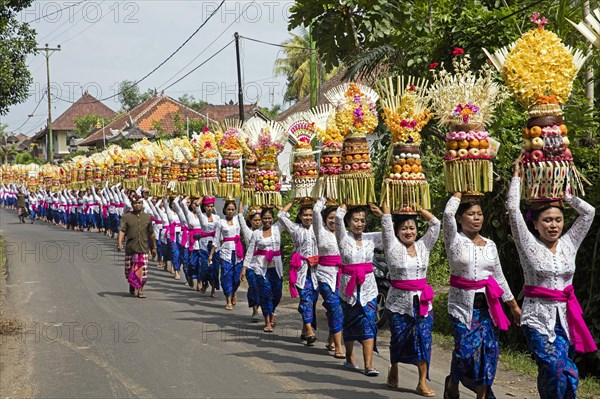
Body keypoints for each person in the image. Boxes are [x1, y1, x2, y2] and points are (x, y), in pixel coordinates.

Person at [507, 163, 596, 399]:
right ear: (535, 224)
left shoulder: (570, 243)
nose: (553, 225)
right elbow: (514, 212)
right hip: (535, 318)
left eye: (558, 220)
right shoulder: (528, 245)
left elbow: (589, 213)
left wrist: (565, 194)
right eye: (547, 220)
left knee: (561, 375)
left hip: (564, 319)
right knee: (556, 368)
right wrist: (516, 179)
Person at [443, 193, 521, 399]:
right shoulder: (454, 240)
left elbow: (499, 277)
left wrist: (513, 305)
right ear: (460, 219)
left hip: (488, 308)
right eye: (470, 214)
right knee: (465, 352)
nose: (477, 218)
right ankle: (452, 381)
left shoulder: (490, 245)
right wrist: (458, 194)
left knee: (488, 353)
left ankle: (482, 395)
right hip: (461, 307)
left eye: (479, 214)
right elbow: (447, 214)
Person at [371, 203, 439, 396]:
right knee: (399, 339)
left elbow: (435, 224)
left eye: (412, 228)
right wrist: (387, 209)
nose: (408, 232)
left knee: (424, 339)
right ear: (397, 231)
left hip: (422, 303)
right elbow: (385, 222)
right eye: (404, 228)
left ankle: (421, 382)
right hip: (397, 303)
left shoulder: (424, 246)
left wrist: (418, 209)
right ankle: (394, 366)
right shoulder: (392, 245)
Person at [335, 203, 383, 376]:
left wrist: (382, 215)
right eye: (356, 220)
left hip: (368, 288)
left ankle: (369, 365)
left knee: (369, 323)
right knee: (349, 322)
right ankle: (349, 356)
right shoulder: (342, 237)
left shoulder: (372, 238)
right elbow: (338, 217)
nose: (359, 224)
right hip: (348, 289)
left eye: (362, 220)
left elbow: (390, 233)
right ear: (349, 221)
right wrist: (347, 202)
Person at [278, 200, 319, 345]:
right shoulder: (295, 228)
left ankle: (305, 330)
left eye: (311, 215)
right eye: (305, 215)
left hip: (316, 270)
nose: (308, 218)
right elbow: (281, 215)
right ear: (300, 216)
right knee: (306, 298)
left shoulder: (319, 228)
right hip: (301, 268)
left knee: (313, 300)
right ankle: (309, 330)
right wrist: (292, 202)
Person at [313, 197, 344, 358]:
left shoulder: (345, 232)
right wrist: (324, 195)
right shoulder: (321, 231)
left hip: (343, 276)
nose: (333, 221)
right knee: (334, 306)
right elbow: (316, 212)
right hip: (325, 274)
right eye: (330, 218)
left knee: (341, 308)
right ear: (325, 220)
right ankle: (339, 347)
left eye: (335, 218)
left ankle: (332, 339)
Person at [243, 207, 283, 332]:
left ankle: (271, 313)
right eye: (264, 218)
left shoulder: (277, 228)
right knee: (265, 294)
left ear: (273, 219)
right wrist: (244, 267)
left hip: (276, 268)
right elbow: (250, 251)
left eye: (269, 218)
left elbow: (284, 216)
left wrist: (277, 206)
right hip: (261, 269)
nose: (266, 221)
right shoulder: (256, 233)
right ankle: (267, 321)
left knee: (277, 295)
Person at [117, 194, 157, 298]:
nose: (137, 205)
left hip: (143, 248)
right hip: (131, 248)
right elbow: (122, 230)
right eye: (135, 203)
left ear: (142, 204)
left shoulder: (147, 217)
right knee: (129, 270)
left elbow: (151, 233)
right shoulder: (127, 217)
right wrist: (119, 243)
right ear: (132, 204)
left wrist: (154, 247)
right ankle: (132, 284)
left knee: (142, 271)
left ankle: (140, 290)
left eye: (139, 203)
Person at [213, 200, 244, 310]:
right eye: (228, 209)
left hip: (238, 252)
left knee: (236, 278)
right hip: (225, 252)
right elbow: (216, 239)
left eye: (232, 209)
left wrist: (242, 197)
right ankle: (228, 300)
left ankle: (233, 292)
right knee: (226, 275)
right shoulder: (221, 222)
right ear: (225, 211)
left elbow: (242, 211)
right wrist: (211, 254)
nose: (230, 211)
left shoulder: (237, 220)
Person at [239, 202, 262, 321]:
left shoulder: (266, 232)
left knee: (262, 287)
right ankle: (255, 310)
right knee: (253, 286)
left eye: (259, 220)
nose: (258, 222)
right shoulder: (247, 231)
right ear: (250, 220)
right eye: (255, 220)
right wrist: (243, 199)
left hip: (263, 264)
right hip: (250, 264)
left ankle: (262, 308)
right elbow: (240, 216)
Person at [196, 196, 220, 297]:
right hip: (204, 245)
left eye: (211, 206)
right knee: (205, 267)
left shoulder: (217, 217)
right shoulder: (202, 216)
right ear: (204, 207)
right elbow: (196, 206)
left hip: (215, 245)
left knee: (215, 268)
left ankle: (213, 289)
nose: (209, 208)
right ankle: (205, 282)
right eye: (207, 206)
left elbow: (219, 232)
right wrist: (203, 195)